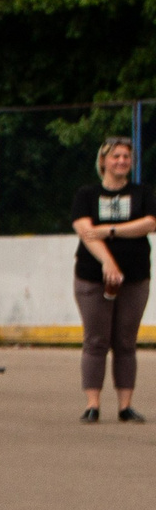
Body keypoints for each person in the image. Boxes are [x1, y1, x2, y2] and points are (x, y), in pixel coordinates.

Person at [70, 136, 155, 424]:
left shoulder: (142, 193)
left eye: (126, 157)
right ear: (103, 161)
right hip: (93, 278)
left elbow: (150, 223)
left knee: (126, 342)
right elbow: (85, 230)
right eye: (116, 156)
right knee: (96, 340)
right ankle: (92, 405)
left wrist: (110, 230)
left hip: (135, 278)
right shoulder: (87, 194)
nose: (122, 161)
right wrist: (108, 262)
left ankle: (125, 406)